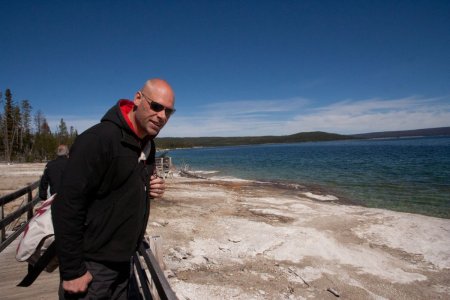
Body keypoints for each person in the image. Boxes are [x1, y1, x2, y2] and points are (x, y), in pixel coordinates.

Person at [52, 78, 175, 299]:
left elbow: (120, 187)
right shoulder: (98, 140)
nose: (162, 117)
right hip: (91, 264)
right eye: (156, 107)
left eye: (168, 112)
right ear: (138, 98)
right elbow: (67, 206)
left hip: (124, 260)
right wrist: (72, 271)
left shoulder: (147, 143)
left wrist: (149, 189)